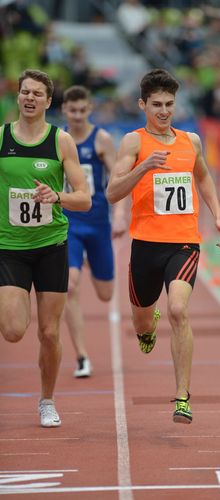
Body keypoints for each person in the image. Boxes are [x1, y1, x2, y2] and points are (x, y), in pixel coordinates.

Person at [107, 68, 220, 424]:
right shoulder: (133, 142)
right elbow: (113, 192)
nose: (164, 111)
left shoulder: (190, 140)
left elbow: (203, 175)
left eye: (170, 104)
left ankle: (182, 397)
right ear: (142, 104)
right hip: (146, 244)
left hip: (184, 243)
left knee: (178, 310)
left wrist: (218, 216)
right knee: (144, 324)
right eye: (157, 104)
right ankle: (148, 324)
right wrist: (143, 167)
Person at [0, 69, 91, 427]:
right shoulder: (2, 137)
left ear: (49, 102)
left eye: (38, 93)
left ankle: (47, 400)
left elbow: (84, 199)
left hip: (51, 245)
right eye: (25, 92)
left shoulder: (60, 141)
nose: (30, 98)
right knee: (13, 331)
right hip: (9, 246)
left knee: (49, 332)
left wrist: (58, 196)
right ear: (18, 97)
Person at [61, 85, 127, 378]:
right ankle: (82, 356)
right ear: (63, 110)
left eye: (81, 110)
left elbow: (118, 178)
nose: (76, 115)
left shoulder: (100, 139)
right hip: (67, 224)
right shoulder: (58, 140)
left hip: (98, 222)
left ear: (90, 110)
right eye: (71, 110)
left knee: (105, 293)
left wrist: (121, 214)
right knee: (69, 286)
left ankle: (88, 261)